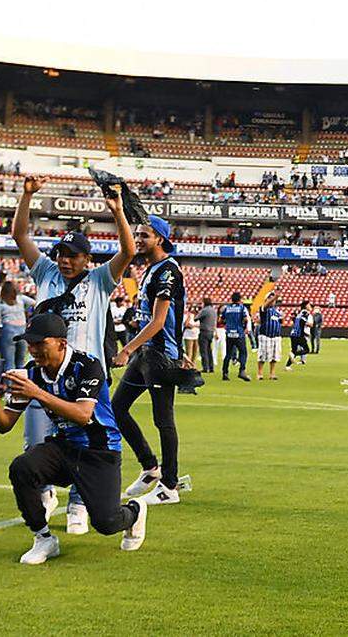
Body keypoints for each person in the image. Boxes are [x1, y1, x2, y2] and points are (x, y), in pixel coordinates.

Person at [12, 175, 134, 535]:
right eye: (61, 255)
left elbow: (127, 253)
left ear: (87, 258)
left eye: (73, 256)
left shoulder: (99, 280)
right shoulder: (45, 272)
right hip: (46, 372)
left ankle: (80, 504)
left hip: (87, 377)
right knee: (37, 440)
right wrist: (27, 195)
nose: (65, 262)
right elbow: (20, 236)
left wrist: (118, 212)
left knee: (87, 442)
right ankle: (45, 491)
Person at [0, 313, 149, 564]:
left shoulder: (87, 366)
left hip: (99, 451)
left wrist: (37, 393)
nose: (33, 350)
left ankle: (135, 511)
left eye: (40, 343)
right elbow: (4, 425)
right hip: (63, 447)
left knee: (107, 523)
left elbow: (84, 415)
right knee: (23, 467)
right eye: (30, 343)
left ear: (61, 343)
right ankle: (44, 539)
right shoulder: (33, 372)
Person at [111, 215, 196, 506]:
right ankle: (150, 468)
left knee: (163, 420)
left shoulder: (168, 271)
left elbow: (159, 322)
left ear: (159, 238)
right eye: (137, 235)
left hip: (158, 357)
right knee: (117, 408)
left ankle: (169, 486)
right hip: (149, 353)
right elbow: (168, 319)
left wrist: (126, 350)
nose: (138, 240)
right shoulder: (151, 270)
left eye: (144, 235)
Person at [0, 280, 36, 372]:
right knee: (21, 362)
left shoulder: (0, 302)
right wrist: (26, 312)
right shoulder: (21, 298)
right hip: (22, 328)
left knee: (8, 362)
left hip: (8, 328)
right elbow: (35, 303)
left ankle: (8, 384)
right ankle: (20, 384)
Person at [220, 292, 251, 381]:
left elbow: (221, 320)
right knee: (243, 352)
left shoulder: (227, 308)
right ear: (240, 299)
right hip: (239, 333)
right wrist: (243, 326)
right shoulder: (242, 308)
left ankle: (225, 373)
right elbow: (246, 319)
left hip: (229, 333)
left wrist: (228, 323)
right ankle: (242, 371)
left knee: (228, 354)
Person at [256, 291, 282, 380]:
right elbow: (265, 306)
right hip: (265, 335)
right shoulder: (264, 309)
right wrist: (274, 297)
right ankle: (260, 373)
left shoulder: (277, 312)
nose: (272, 301)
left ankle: (272, 373)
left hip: (276, 336)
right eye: (270, 298)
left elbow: (281, 321)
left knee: (275, 356)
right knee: (262, 355)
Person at [285, 300, 312, 370]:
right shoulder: (305, 312)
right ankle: (294, 354)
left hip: (293, 334)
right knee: (306, 350)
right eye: (309, 305)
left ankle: (287, 366)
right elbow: (302, 322)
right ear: (306, 306)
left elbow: (296, 320)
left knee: (294, 350)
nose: (310, 306)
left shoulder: (300, 312)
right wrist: (307, 324)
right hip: (299, 334)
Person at [196, 298, 217, 373]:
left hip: (204, 331)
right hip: (211, 331)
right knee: (209, 350)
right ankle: (211, 367)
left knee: (203, 350)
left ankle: (205, 367)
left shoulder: (204, 310)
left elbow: (196, 318)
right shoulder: (213, 310)